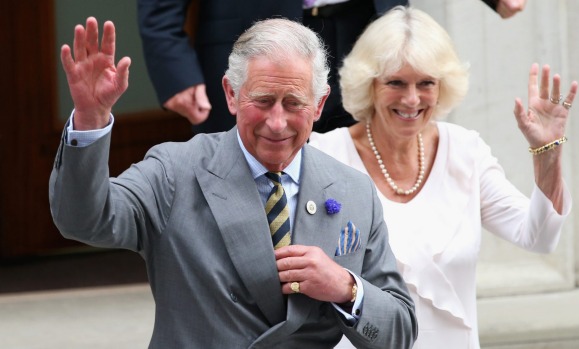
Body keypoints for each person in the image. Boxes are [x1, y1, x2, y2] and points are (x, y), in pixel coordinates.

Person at [50, 16, 417, 348]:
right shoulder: (174, 170)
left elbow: (398, 332)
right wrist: (90, 118)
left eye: (293, 103)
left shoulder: (351, 189)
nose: (277, 122)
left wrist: (346, 288)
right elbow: (84, 219)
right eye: (263, 100)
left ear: (319, 105)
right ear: (231, 94)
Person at [309, 5, 577, 349]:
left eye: (426, 83)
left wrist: (548, 153)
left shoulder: (465, 151)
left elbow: (538, 236)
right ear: (369, 84)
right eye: (396, 82)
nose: (411, 98)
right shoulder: (325, 155)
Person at [137, 0, 527, 135]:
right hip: (260, 42)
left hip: (365, 32)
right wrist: (172, 64)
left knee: (362, 190)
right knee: (251, 190)